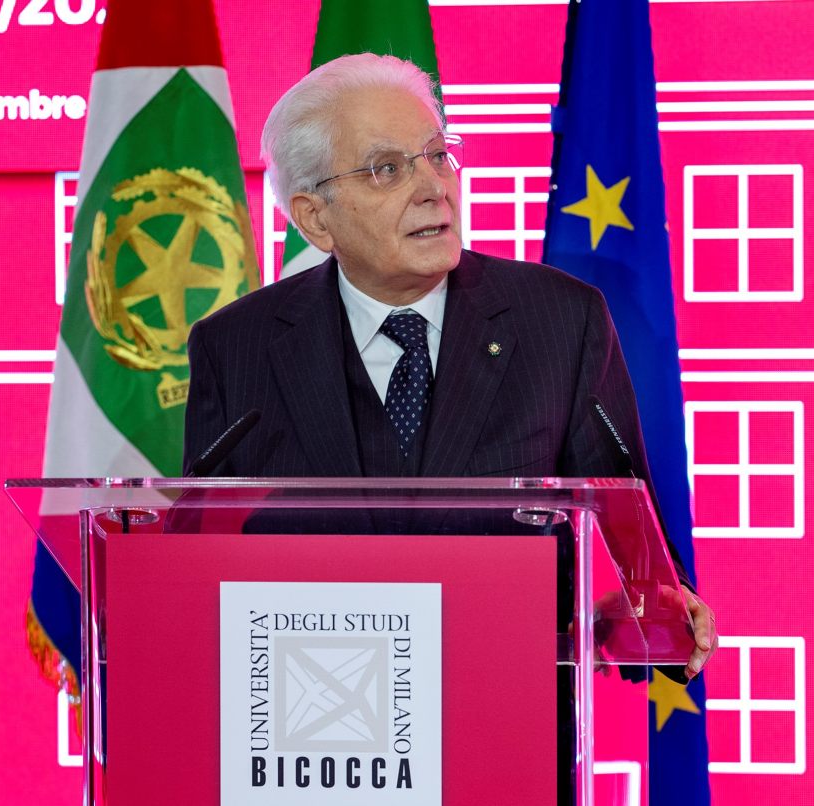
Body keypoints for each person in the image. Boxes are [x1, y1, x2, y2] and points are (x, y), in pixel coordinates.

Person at [183, 52, 715, 787]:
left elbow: (626, 541)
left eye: (438, 155)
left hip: (505, 748)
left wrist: (654, 604)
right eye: (386, 170)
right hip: (311, 754)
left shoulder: (559, 322)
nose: (435, 186)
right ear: (313, 217)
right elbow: (196, 564)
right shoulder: (237, 347)